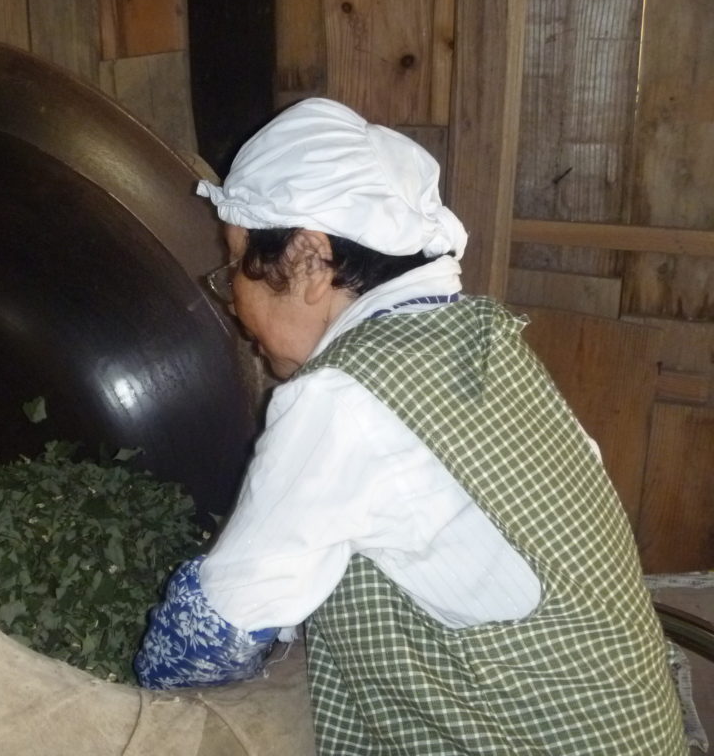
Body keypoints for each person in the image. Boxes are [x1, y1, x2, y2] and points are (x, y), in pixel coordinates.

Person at [133, 98, 687, 754]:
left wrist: (138, 679)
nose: (234, 306)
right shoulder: (471, 335)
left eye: (234, 271)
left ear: (308, 260)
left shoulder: (342, 398)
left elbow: (218, 628)